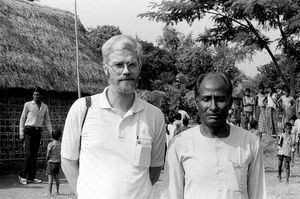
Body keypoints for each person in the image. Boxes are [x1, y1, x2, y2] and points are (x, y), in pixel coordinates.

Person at [61, 35, 165, 199]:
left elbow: (155, 168)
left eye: (132, 64)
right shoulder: (83, 109)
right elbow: (68, 161)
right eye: (118, 65)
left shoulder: (154, 116)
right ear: (105, 69)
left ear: (139, 67)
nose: (126, 71)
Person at [164, 72, 266, 199]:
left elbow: (258, 194)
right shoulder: (179, 145)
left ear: (230, 103)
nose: (213, 106)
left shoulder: (250, 143)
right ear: (197, 102)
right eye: (206, 99)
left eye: (220, 99)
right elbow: (172, 194)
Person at [19, 87, 52, 185]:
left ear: (41, 96)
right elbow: (22, 119)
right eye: (34, 95)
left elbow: (47, 121)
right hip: (28, 130)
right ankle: (22, 176)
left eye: (37, 95)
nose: (35, 96)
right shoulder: (28, 105)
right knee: (28, 154)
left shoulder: (45, 107)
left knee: (34, 155)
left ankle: (31, 177)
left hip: (37, 131)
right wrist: (21, 133)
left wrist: (52, 133)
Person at [44, 129, 62, 196]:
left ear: (52, 136)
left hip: (51, 162)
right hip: (57, 162)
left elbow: (48, 155)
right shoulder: (60, 144)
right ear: (60, 136)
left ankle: (49, 192)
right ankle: (57, 191)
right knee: (57, 177)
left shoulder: (50, 144)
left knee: (50, 178)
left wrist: (46, 161)